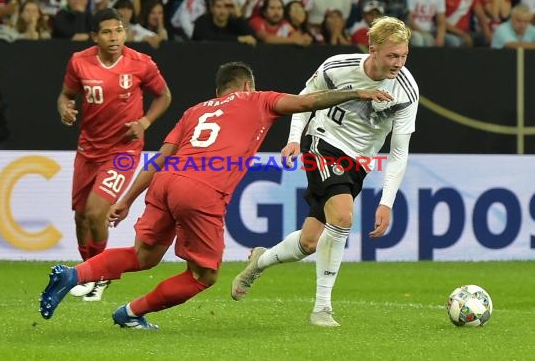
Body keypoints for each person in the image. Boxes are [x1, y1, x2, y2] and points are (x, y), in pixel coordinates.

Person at [38, 61, 393, 329]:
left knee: (143, 255)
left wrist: (127, 199)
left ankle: (75, 276)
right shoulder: (259, 99)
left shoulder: (195, 111)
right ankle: (131, 312)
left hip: (165, 181)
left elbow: (159, 158)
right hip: (201, 191)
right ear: (246, 84)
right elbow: (308, 102)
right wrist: (355, 92)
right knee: (203, 276)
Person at [231, 16, 419, 328]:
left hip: (357, 164)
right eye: (392, 56)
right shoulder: (337, 66)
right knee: (344, 217)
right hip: (324, 143)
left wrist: (387, 201)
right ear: (372, 49)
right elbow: (305, 101)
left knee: (309, 242)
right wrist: (293, 140)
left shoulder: (406, 91)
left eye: (404, 56)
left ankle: (258, 262)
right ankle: (322, 309)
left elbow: (399, 151)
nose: (398, 63)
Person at [57, 7, 171, 301]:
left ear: (125, 32)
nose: (114, 37)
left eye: (118, 31)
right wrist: (64, 108)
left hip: (123, 150)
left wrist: (145, 122)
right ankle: (85, 270)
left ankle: (99, 275)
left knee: (97, 212)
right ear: (95, 36)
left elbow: (165, 95)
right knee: (81, 217)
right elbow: (66, 95)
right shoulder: (78, 62)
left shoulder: (140, 63)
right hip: (88, 150)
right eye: (106, 32)